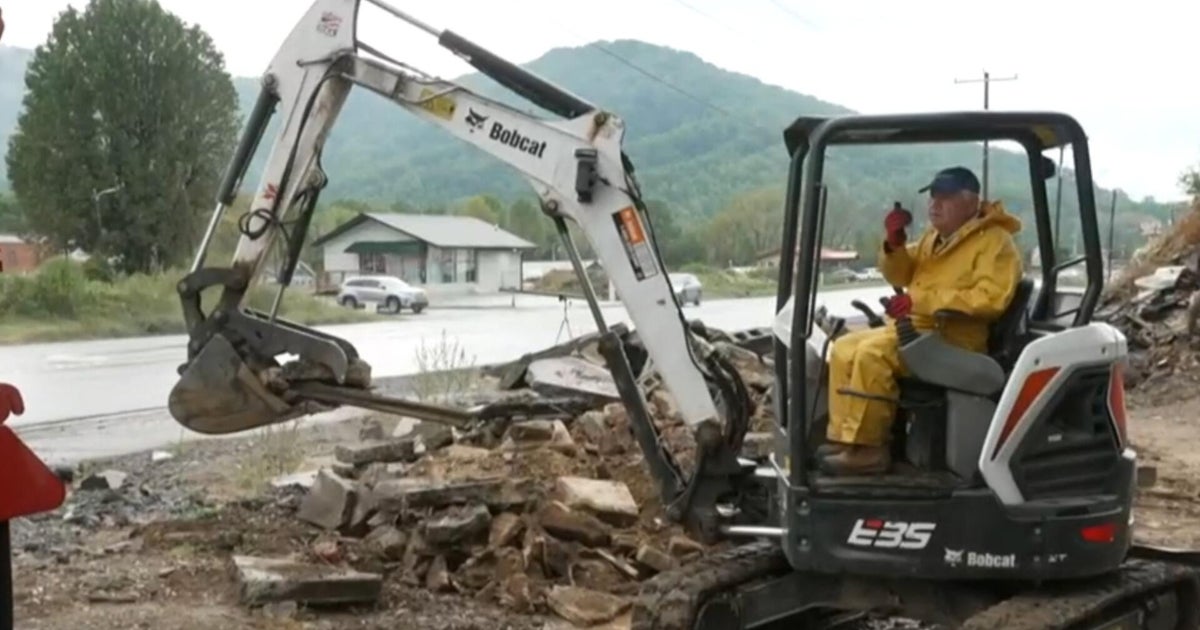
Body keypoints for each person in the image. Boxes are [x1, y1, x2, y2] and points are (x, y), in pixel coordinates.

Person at [819, 166, 1023, 475]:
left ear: (971, 202)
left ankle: (871, 450)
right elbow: (900, 273)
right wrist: (894, 244)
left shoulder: (995, 242)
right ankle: (848, 440)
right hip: (922, 331)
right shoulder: (935, 239)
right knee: (844, 347)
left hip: (955, 339)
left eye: (946, 197)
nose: (934, 204)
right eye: (932, 197)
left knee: (872, 356)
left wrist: (921, 301)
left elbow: (990, 298)